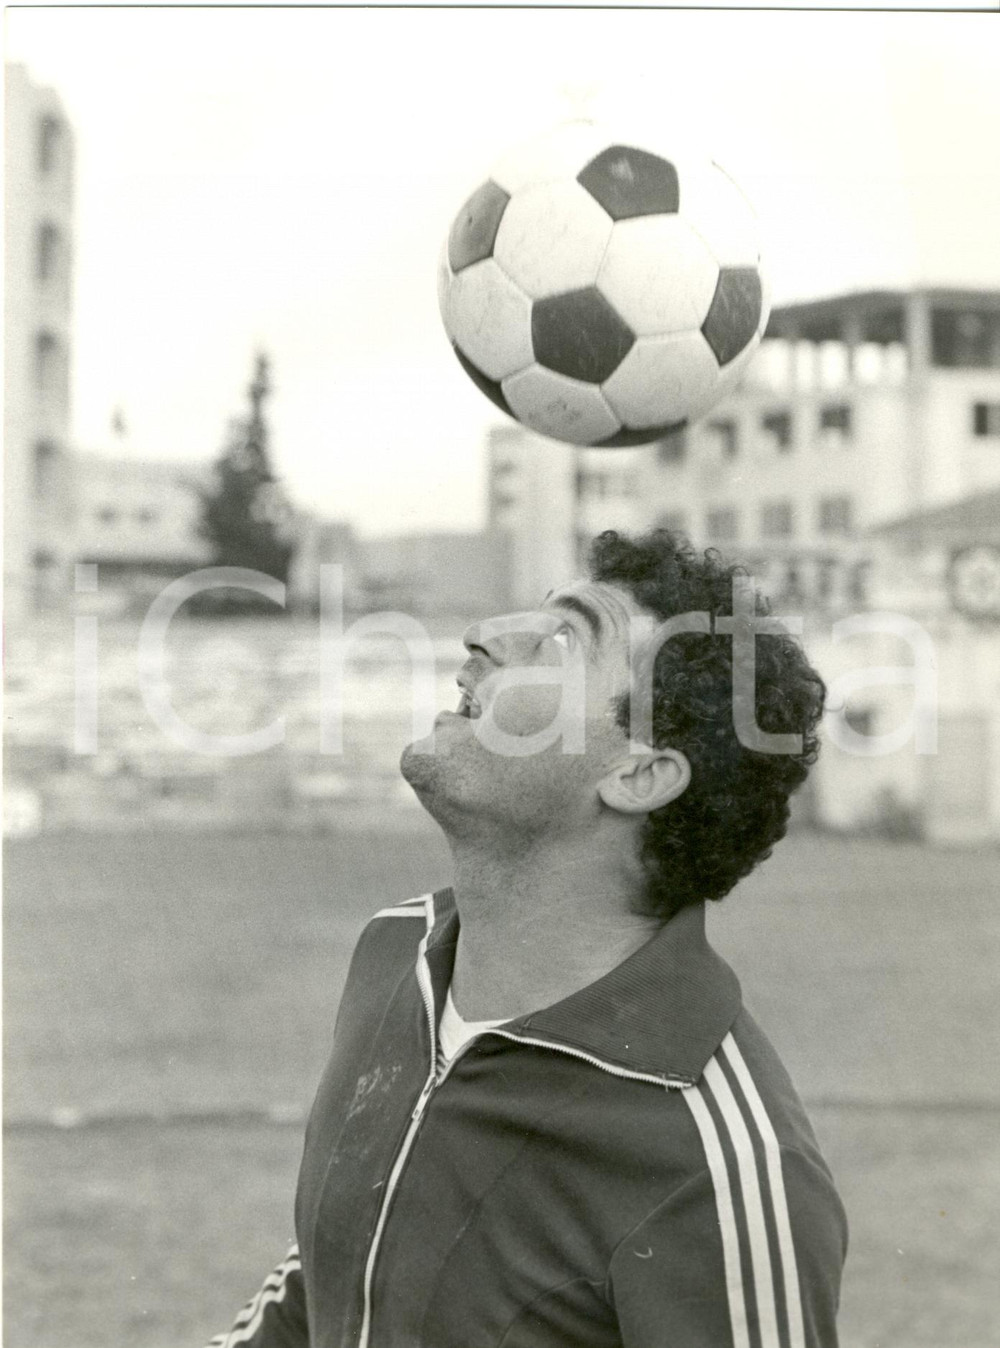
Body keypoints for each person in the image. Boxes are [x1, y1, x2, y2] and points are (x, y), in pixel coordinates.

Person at [207, 529, 847, 1348]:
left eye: (563, 640)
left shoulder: (728, 1170)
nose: (484, 637)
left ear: (640, 774)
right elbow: (331, 1277)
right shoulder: (394, 950)